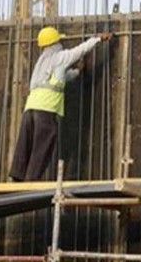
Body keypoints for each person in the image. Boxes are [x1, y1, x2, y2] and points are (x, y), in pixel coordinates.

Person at [9, 27, 114, 181]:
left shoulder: (41, 61)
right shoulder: (60, 57)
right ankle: (30, 181)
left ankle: (17, 176)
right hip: (46, 110)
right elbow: (80, 50)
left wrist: (77, 72)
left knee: (24, 145)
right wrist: (98, 38)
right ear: (54, 43)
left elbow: (59, 77)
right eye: (59, 40)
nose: (61, 42)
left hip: (29, 110)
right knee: (42, 147)